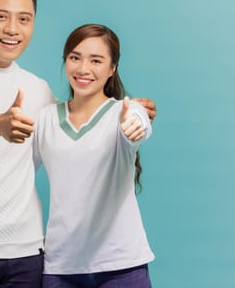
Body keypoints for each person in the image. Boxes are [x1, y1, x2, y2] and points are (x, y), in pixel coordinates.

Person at [0, 0, 157, 288]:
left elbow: (83, 126)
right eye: (1, 17)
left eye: (24, 19)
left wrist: (137, 116)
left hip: (28, 253)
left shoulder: (38, 91)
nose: (12, 29)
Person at [34, 24, 154, 288]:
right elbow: (14, 169)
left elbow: (139, 122)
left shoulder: (124, 111)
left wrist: (136, 127)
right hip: (60, 267)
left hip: (121, 266)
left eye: (96, 60)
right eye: (75, 57)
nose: (83, 69)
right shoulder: (46, 118)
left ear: (112, 69)